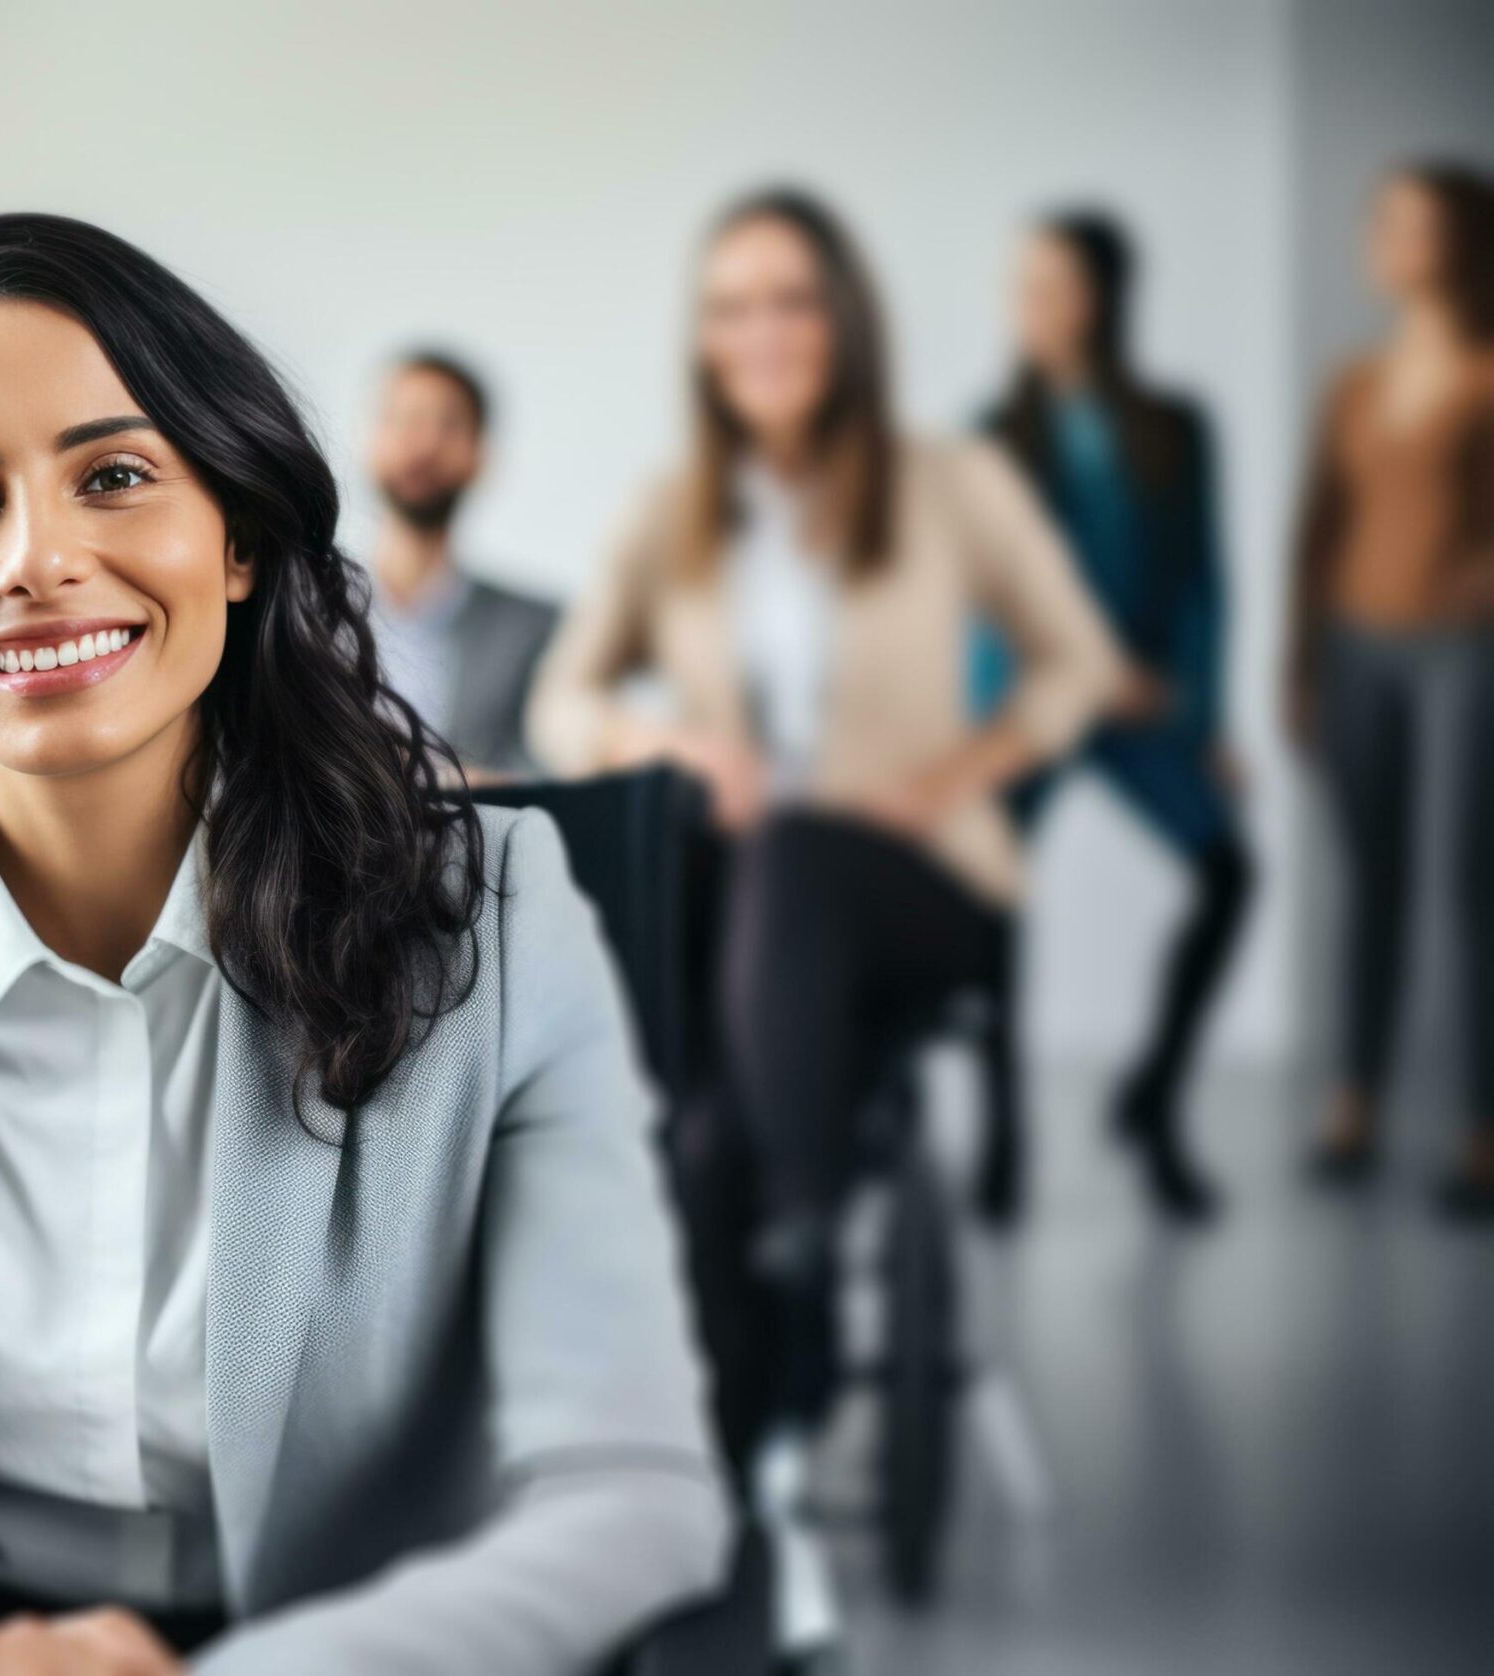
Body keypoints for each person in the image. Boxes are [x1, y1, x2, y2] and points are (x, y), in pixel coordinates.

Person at [0, 213, 729, 1676]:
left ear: (239, 541)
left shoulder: (499, 917)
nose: (36, 559)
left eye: (117, 477)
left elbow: (628, 1496)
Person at [528, 187, 1119, 1661]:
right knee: (705, 1120)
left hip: (912, 886)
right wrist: (657, 741)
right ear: (706, 339)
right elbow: (559, 698)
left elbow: (1077, 667)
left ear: (842, 319)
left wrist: (952, 776)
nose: (764, 333)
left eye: (791, 300)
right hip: (751, 914)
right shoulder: (676, 511)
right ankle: (732, 1481)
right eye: (733, 307)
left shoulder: (947, 482)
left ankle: (797, 1240)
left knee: (791, 859)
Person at [974, 209, 1256, 1224]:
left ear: (1103, 294)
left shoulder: (1175, 425)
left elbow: (1203, 584)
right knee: (992, 894)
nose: (1033, 305)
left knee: (1228, 873)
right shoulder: (990, 431)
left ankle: (1153, 1102)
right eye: (1023, 285)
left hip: (1146, 702)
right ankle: (1002, 1133)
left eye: (1055, 283)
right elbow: (984, 593)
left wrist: (1205, 714)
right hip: (1032, 700)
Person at [1287, 161, 1494, 1218]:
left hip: (1465, 653)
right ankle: (1355, 1101)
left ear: (1462, 237)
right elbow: (1313, 534)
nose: (1388, 237)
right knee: (1369, 882)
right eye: (1382, 219)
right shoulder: (1354, 384)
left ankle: (1479, 1128)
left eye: (1412, 221)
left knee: (1469, 891)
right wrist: (1297, 670)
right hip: (1356, 646)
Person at [362, 348, 558, 775]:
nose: (425, 444)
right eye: (405, 420)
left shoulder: (537, 630)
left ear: (479, 456)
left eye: (448, 425)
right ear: (371, 441)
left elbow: (551, 769)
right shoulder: (300, 615)